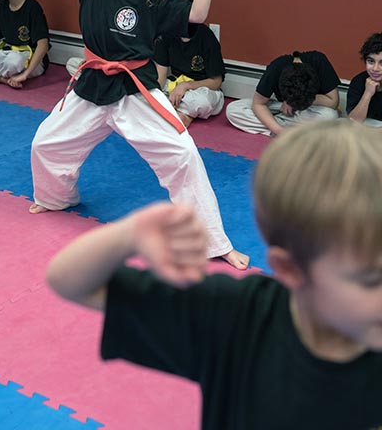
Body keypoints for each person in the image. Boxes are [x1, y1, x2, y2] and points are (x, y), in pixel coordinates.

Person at [46, 119, 382, 430]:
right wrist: (130, 234)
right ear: (291, 269)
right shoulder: (236, 318)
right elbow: (70, 281)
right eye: (372, 280)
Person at [29, 0, 248, 270]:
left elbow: (196, 15)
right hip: (92, 84)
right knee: (46, 144)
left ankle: (212, 242)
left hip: (136, 89)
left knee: (183, 154)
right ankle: (56, 199)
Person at [154, 0, 225, 128]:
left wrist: (186, 86)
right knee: (146, 94)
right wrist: (154, 96)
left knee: (202, 102)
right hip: (174, 87)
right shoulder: (166, 35)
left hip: (201, 89)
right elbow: (160, 77)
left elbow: (216, 82)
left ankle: (179, 113)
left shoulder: (206, 38)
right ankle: (181, 113)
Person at [226, 50, 340, 136]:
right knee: (233, 110)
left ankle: (274, 122)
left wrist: (299, 101)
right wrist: (279, 131)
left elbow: (333, 102)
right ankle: (296, 129)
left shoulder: (318, 60)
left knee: (330, 116)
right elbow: (258, 104)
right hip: (279, 106)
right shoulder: (275, 69)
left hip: (309, 108)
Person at [346, 32, 382, 126]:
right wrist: (368, 93)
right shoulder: (358, 81)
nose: (375, 68)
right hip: (366, 127)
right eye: (371, 61)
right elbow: (353, 121)